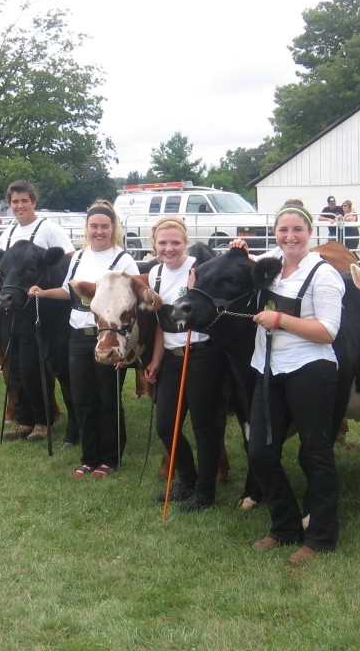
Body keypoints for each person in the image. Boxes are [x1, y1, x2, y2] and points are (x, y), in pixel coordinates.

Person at [243, 200, 345, 566]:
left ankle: (320, 536)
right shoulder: (270, 266)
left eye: (297, 230)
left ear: (309, 233)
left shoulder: (324, 274)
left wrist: (280, 320)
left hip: (311, 369)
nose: (290, 236)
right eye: (283, 230)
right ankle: (284, 526)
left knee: (314, 453)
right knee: (260, 450)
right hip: (269, 367)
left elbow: (328, 332)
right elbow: (243, 277)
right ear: (275, 234)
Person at [29, 199, 139, 477]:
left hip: (108, 337)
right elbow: (69, 292)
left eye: (104, 226)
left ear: (113, 228)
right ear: (87, 228)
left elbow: (133, 302)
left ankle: (110, 459)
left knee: (107, 398)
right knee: (82, 399)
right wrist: (42, 292)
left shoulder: (123, 259)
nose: (99, 231)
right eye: (94, 226)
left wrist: (128, 349)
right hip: (78, 336)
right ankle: (88, 456)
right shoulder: (77, 257)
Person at [142, 217, 227, 512]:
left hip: (201, 353)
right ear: (154, 244)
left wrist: (194, 290)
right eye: (163, 243)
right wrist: (155, 359)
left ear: (185, 242)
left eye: (175, 242)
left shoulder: (199, 270)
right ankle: (186, 481)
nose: (169, 248)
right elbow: (160, 324)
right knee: (166, 425)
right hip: (172, 359)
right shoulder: (154, 274)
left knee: (204, 425)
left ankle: (205, 491)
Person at [0, 180, 76, 444]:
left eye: (24, 201)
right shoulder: (7, 233)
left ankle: (43, 420)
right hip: (12, 309)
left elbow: (69, 258)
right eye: (15, 202)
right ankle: (24, 420)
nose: (19, 206)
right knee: (14, 365)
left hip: (42, 309)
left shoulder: (48, 229)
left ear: (34, 202)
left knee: (34, 365)